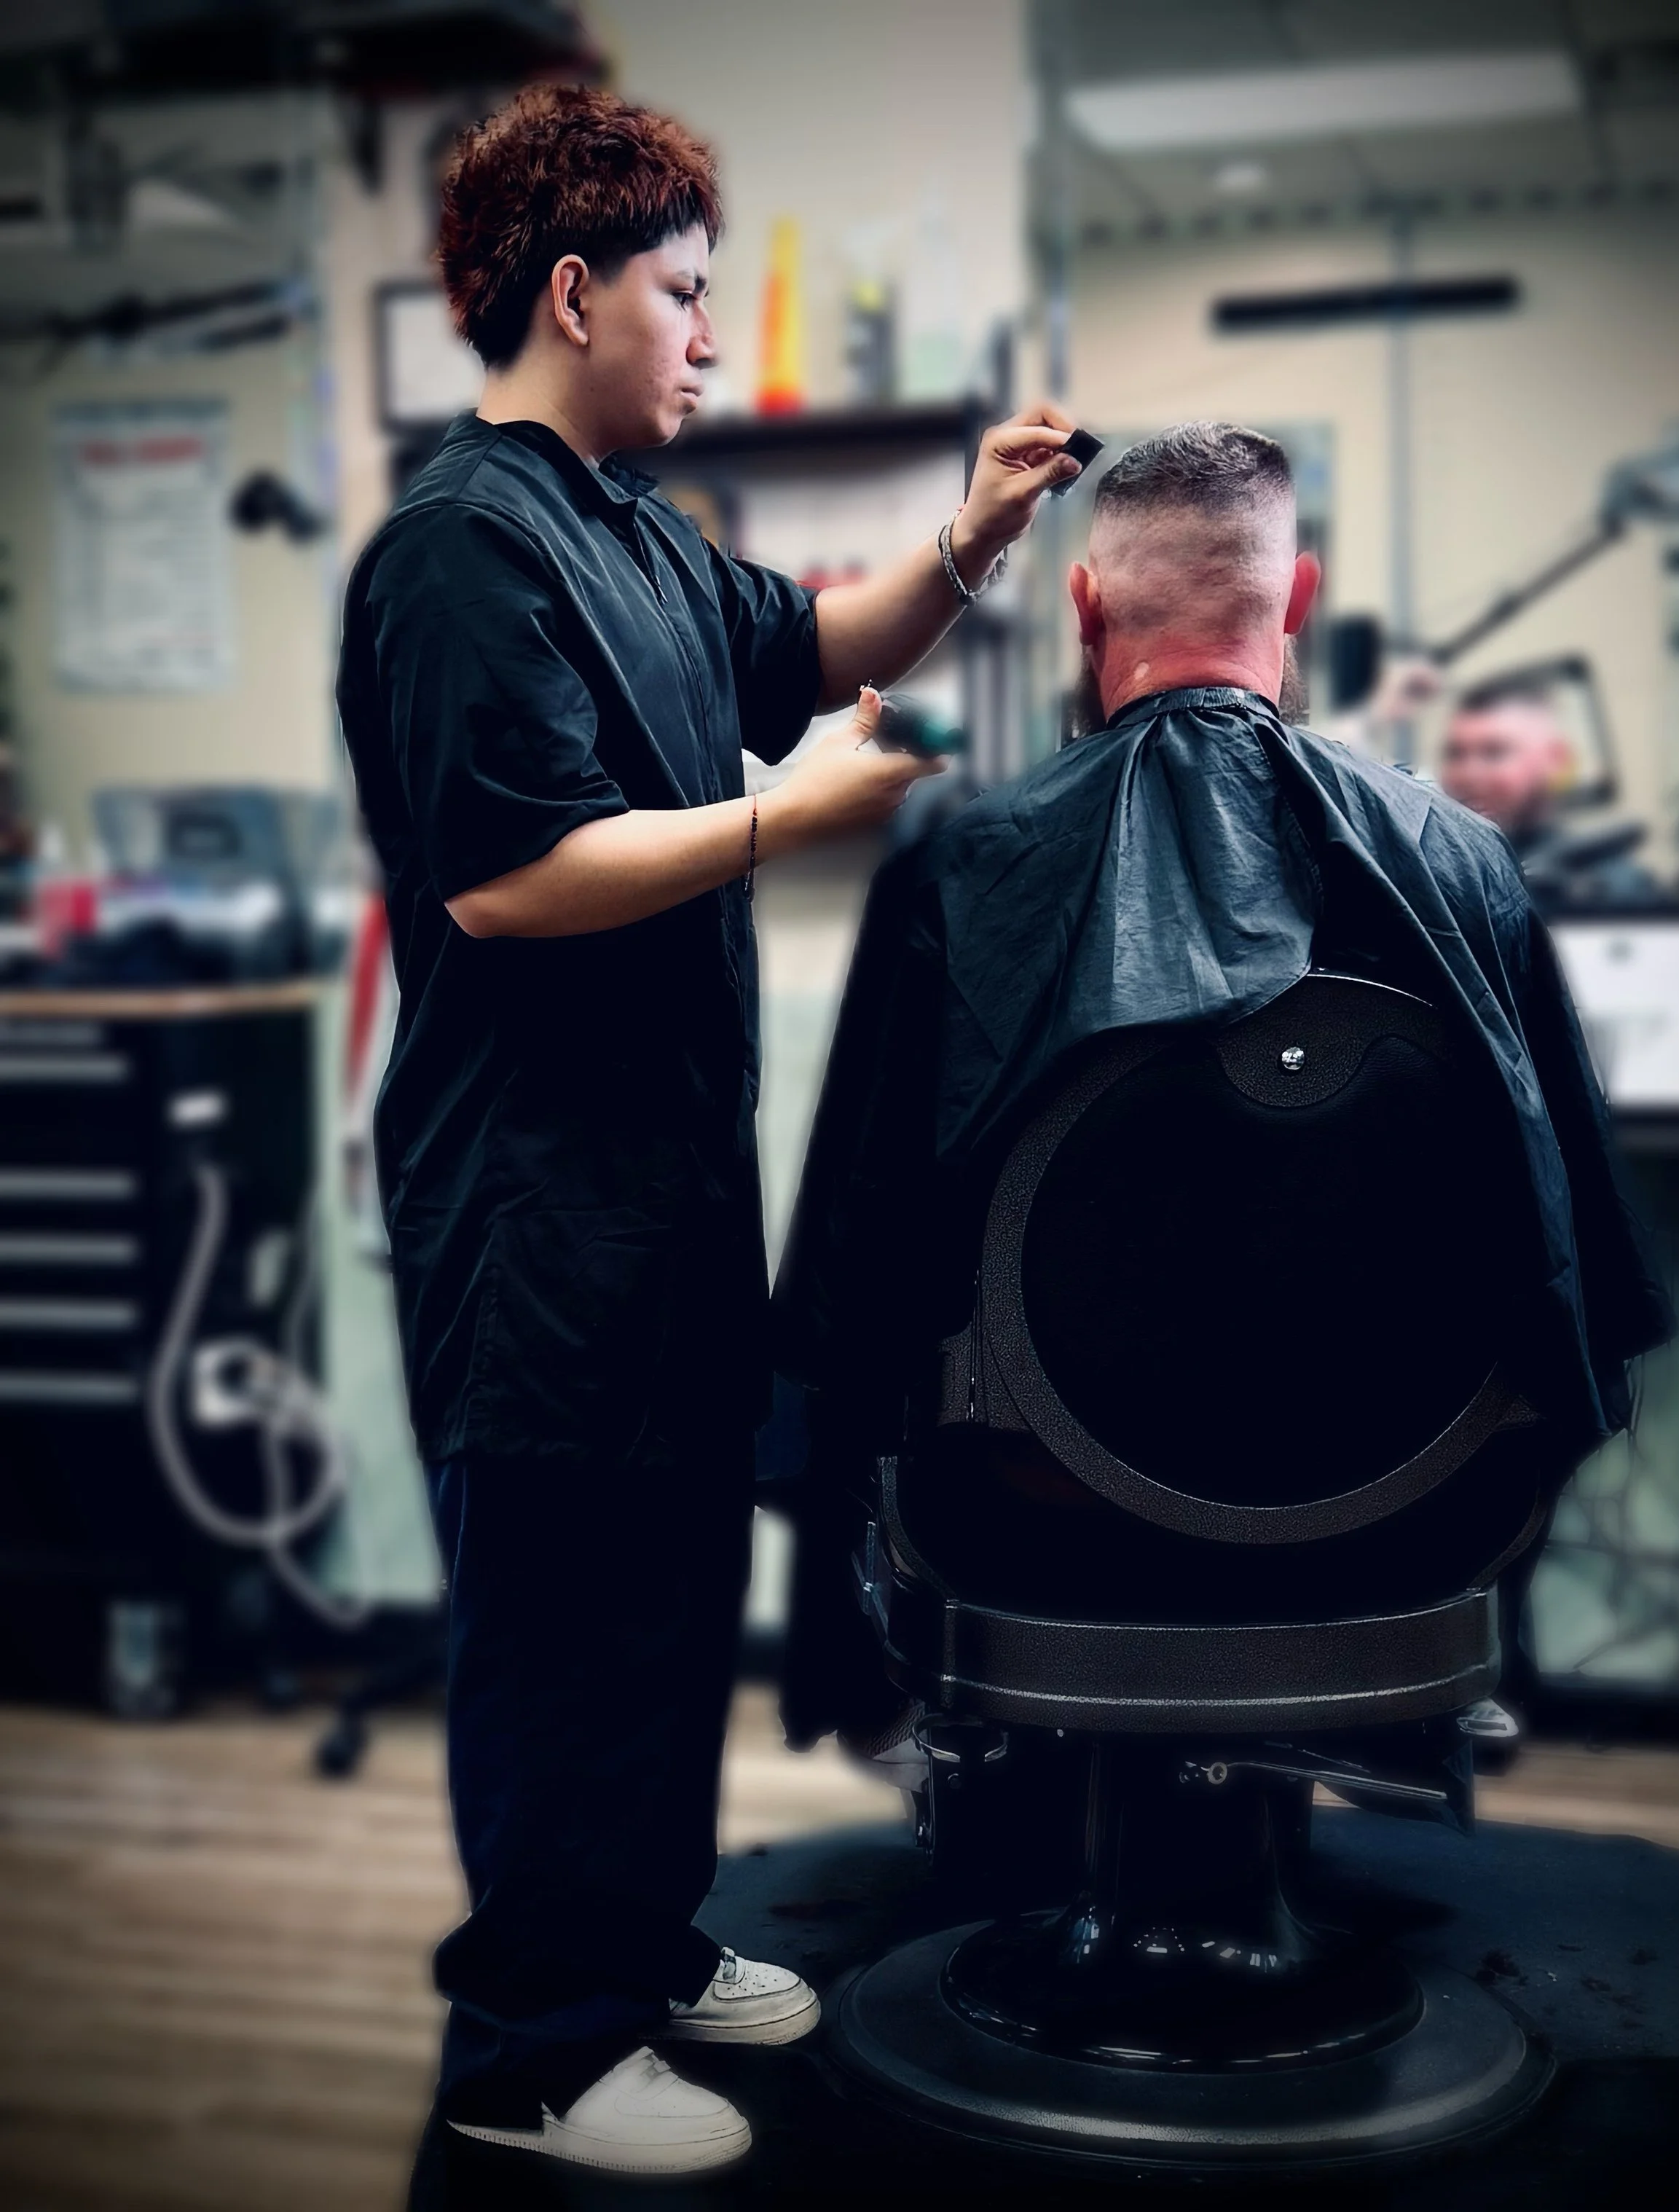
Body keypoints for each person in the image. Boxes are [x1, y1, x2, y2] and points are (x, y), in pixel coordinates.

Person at [335, 85, 1084, 2180]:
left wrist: (968, 538)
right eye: (680, 299)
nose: (701, 340)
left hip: (660, 1183)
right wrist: (784, 820)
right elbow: (504, 878)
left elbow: (812, 649)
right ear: (571, 296)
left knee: (664, 1593)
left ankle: (642, 1944)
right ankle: (534, 2058)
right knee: (564, 1616)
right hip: (530, 1203)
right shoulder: (463, 555)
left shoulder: (644, 539)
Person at [771, 422, 1671, 1752]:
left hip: (1039, 1506)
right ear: (1297, 597)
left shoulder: (961, 879)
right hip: (1410, 1503)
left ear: (1083, 607)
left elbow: (849, 1295)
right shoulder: (1460, 863)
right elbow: (1580, 1259)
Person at [1437, 672, 1659, 909]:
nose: (1469, 774)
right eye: (1455, 754)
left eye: (1494, 752)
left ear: (1557, 761)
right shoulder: (1427, 881)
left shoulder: (1616, 890)